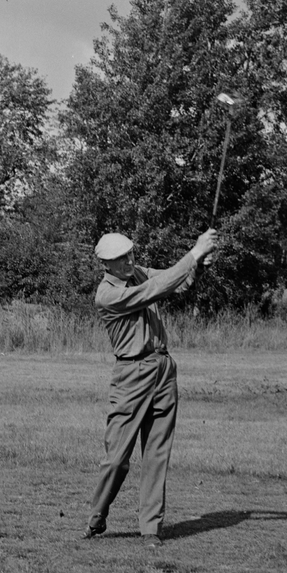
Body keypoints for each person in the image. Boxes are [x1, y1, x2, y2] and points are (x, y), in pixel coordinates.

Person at [83, 227, 218, 548]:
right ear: (107, 264)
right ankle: (97, 515)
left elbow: (175, 280)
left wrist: (198, 265)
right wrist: (195, 252)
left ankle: (150, 530)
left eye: (131, 254)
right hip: (131, 374)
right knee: (117, 458)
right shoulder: (108, 295)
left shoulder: (138, 273)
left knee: (157, 453)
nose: (130, 261)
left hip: (163, 369)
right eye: (121, 258)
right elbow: (156, 289)